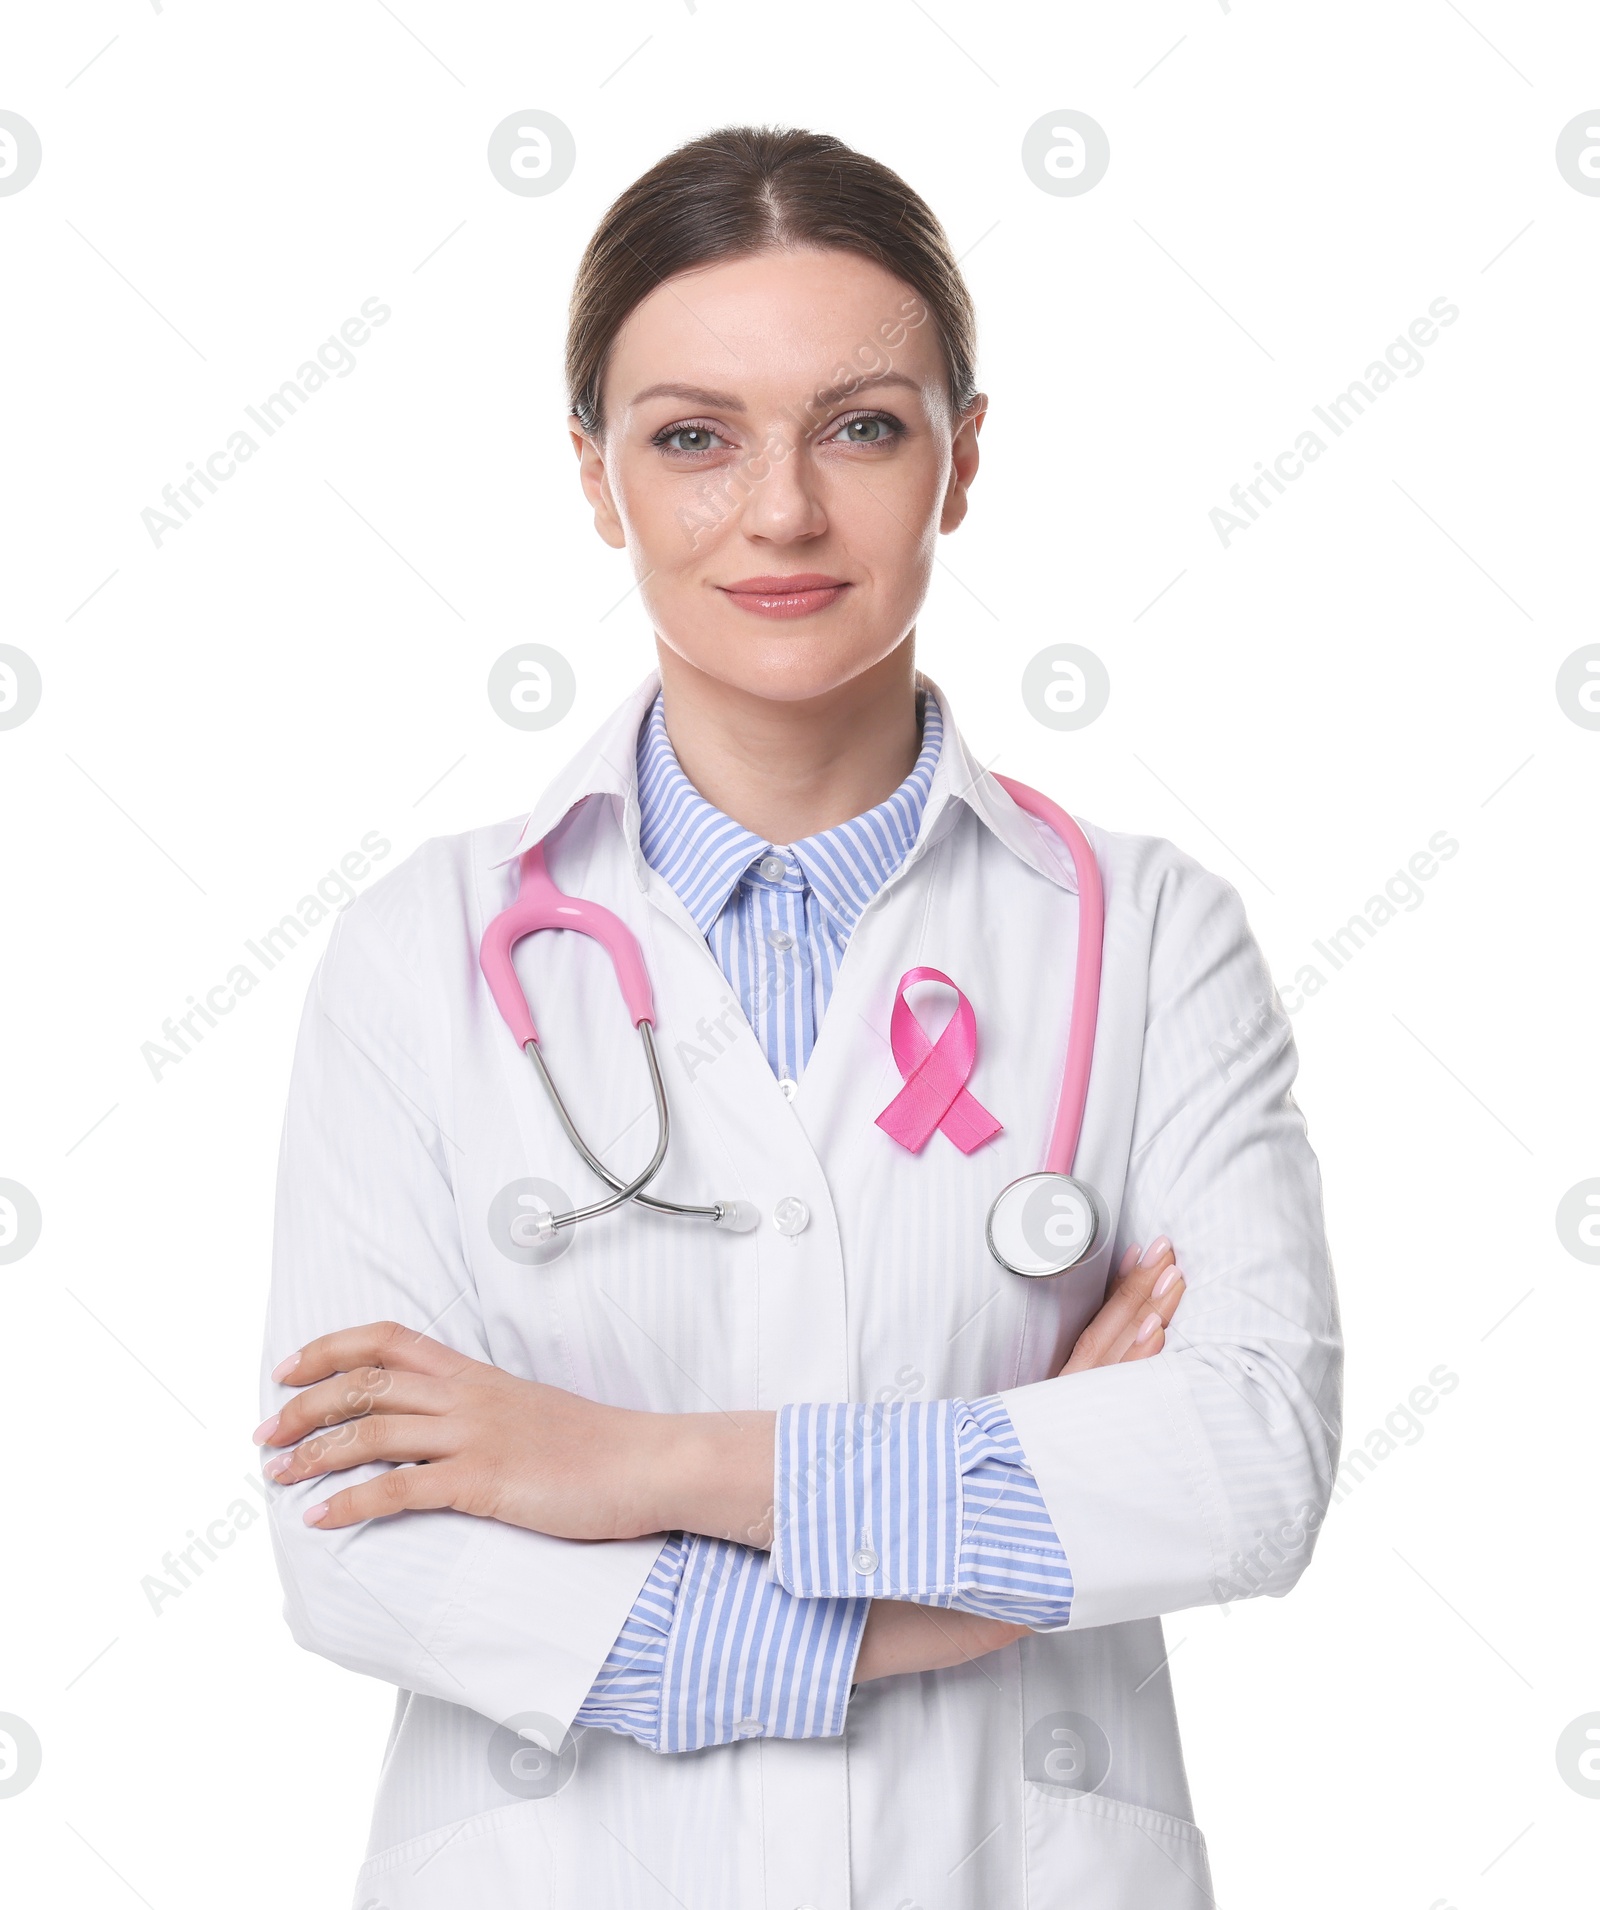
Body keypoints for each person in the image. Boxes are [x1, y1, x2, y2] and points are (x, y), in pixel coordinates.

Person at [256, 125, 1341, 1910]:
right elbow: (363, 1550)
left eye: (861, 426)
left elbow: (1241, 1467)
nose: (779, 511)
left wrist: (623, 1463)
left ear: (961, 460)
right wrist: (943, 1604)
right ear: (597, 475)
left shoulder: (1146, 934)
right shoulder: (415, 951)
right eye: (692, 436)